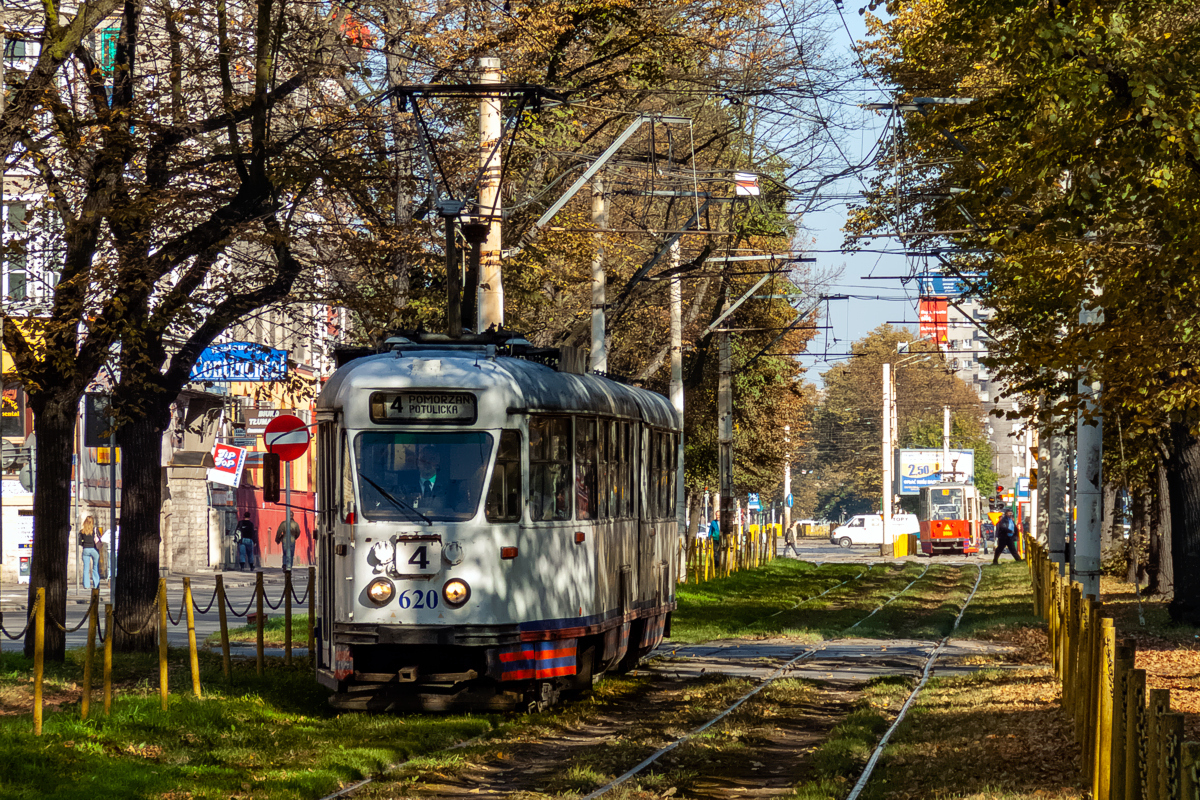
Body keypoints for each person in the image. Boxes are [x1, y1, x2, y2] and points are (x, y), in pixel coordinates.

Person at [79, 515, 100, 589]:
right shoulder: (95, 530)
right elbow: (99, 539)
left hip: (86, 550)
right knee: (95, 567)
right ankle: (96, 584)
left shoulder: (82, 531)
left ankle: (86, 585)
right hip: (94, 549)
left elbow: (79, 542)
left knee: (86, 568)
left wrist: (84, 544)